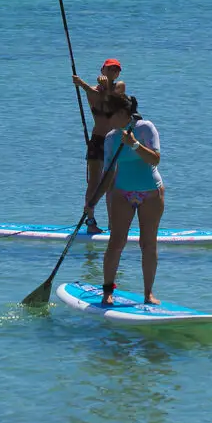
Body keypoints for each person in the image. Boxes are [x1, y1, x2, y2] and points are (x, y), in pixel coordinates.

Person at [97, 92, 164, 306]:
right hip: (122, 193)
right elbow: (107, 174)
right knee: (116, 242)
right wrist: (92, 202)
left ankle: (148, 294)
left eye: (110, 114)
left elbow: (155, 159)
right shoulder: (110, 138)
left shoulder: (145, 128)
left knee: (148, 244)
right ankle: (107, 291)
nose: (107, 119)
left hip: (151, 193)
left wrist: (134, 144)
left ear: (123, 113)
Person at [71, 58, 126, 233]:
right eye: (110, 69)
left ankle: (113, 224)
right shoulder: (92, 92)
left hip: (113, 140)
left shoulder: (120, 86)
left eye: (116, 70)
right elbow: (98, 101)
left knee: (113, 183)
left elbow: (111, 101)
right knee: (94, 182)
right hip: (97, 140)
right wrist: (83, 86)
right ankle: (91, 222)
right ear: (102, 70)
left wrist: (83, 84)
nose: (113, 73)